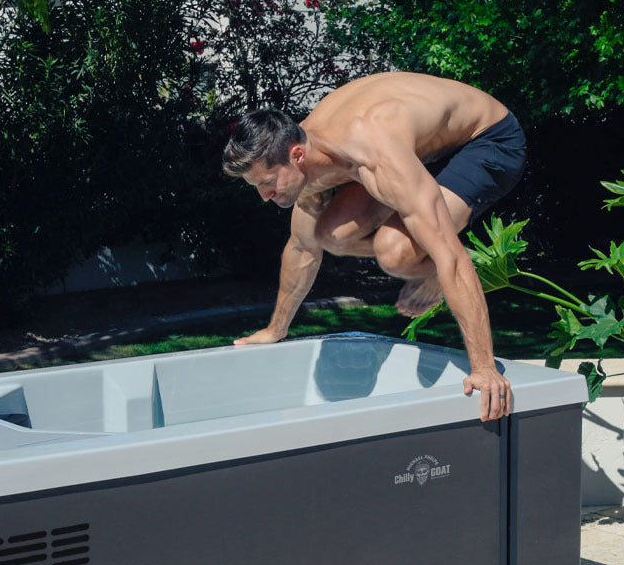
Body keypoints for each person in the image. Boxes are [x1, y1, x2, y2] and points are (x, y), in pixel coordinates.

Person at [223, 71, 526, 422]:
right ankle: (429, 258)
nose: (264, 196)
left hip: (485, 140)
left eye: (268, 183)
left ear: (297, 155)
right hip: (418, 151)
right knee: (329, 235)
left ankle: (433, 266)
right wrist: (276, 329)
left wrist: (484, 367)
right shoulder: (304, 160)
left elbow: (452, 256)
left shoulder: (372, 150)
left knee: (396, 252)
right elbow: (303, 249)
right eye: (256, 187)